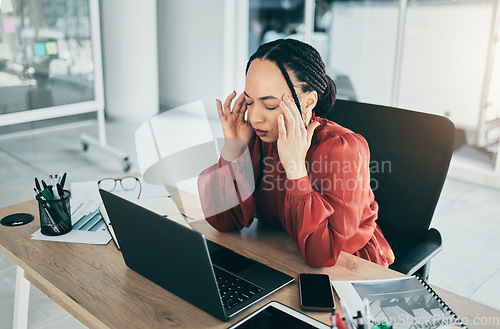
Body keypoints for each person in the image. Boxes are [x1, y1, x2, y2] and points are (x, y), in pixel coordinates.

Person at [197, 39, 394, 268]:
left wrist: (295, 170)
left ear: (309, 101)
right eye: (249, 102)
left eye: (270, 105)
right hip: (279, 252)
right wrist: (232, 150)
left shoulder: (341, 149)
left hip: (349, 266)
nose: (255, 117)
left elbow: (322, 254)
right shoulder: (257, 136)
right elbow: (224, 221)